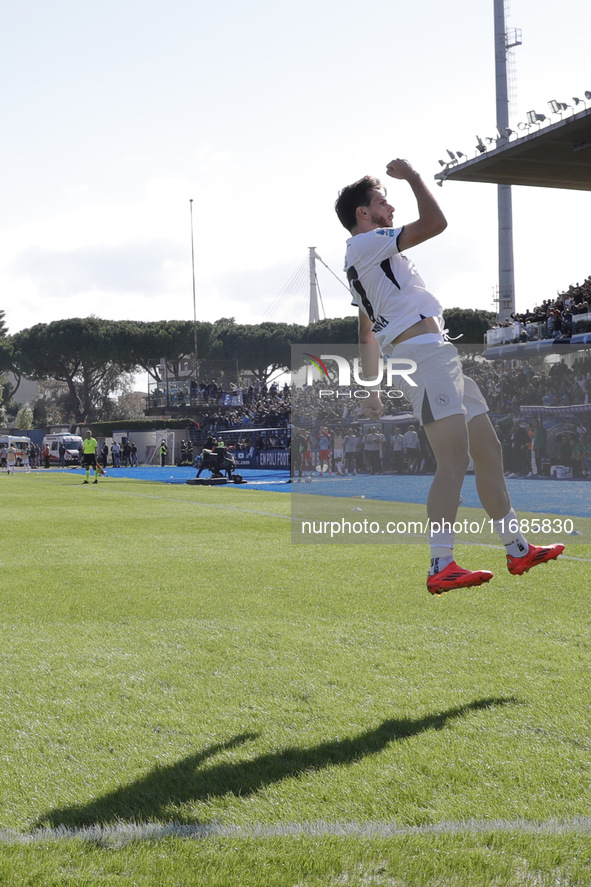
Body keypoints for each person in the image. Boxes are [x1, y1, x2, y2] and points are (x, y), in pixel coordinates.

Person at [335, 158, 565, 594]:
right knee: (455, 459)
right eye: (383, 202)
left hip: (436, 356)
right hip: (422, 358)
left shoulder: (372, 260)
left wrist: (372, 391)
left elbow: (365, 333)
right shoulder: (366, 247)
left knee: (489, 451)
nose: (390, 208)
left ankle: (517, 548)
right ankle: (441, 562)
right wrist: (415, 177)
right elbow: (436, 222)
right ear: (363, 214)